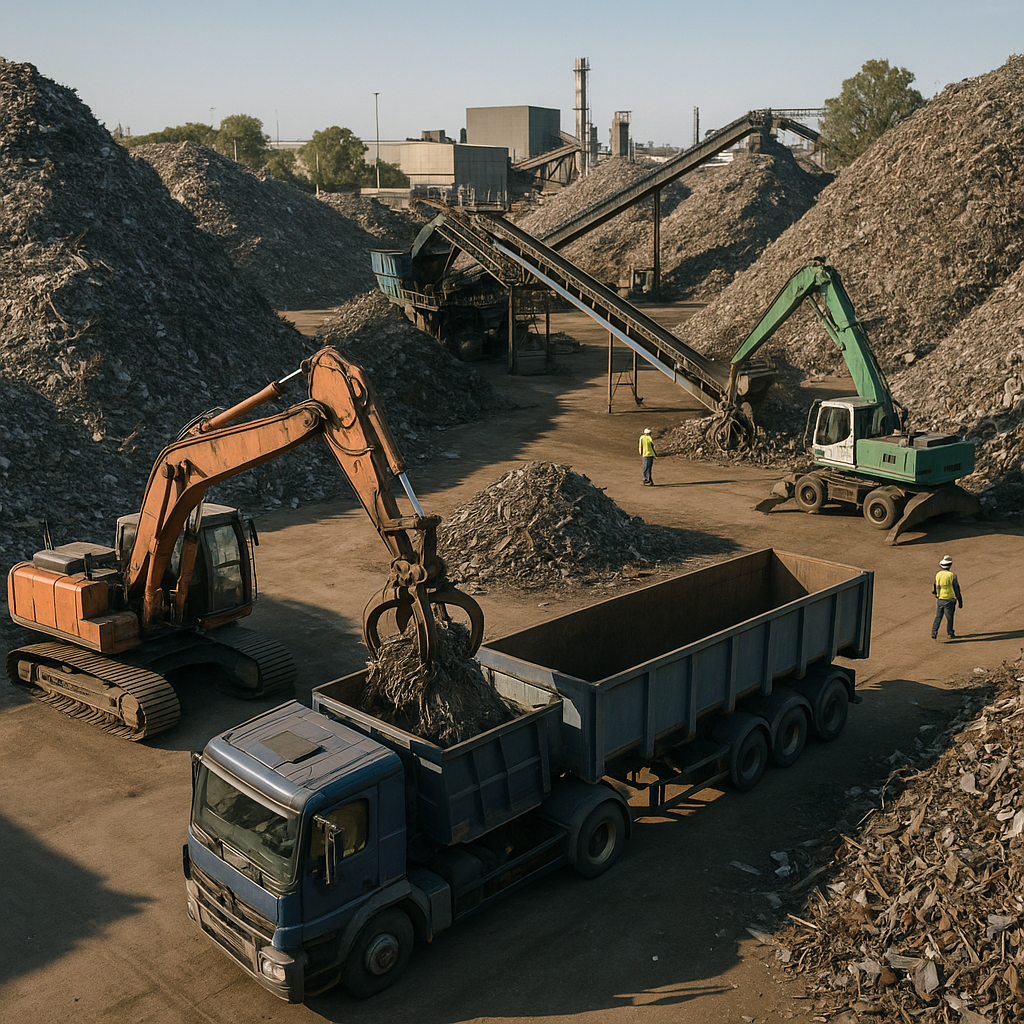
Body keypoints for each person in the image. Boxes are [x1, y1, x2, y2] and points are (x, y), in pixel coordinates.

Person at [931, 554, 963, 640]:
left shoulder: (938, 574)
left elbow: (935, 586)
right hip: (949, 600)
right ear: (950, 565)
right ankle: (950, 633)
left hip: (940, 598)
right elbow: (957, 589)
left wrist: (935, 593)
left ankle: (934, 632)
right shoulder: (952, 576)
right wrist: (960, 601)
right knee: (949, 618)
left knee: (938, 616)